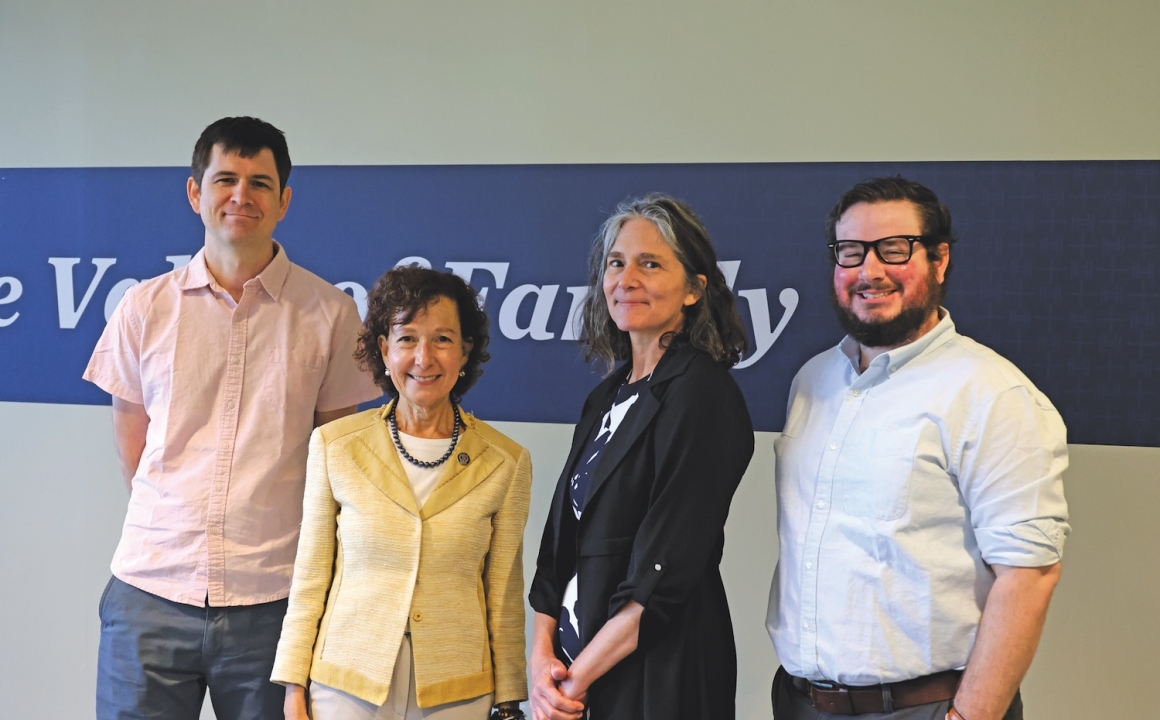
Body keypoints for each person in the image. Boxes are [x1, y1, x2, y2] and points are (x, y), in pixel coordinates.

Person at [83, 116, 381, 720]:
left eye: (260, 183)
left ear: (284, 200)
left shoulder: (329, 313)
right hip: (151, 592)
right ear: (196, 193)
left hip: (274, 600)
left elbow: (333, 460)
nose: (241, 196)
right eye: (225, 179)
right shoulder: (143, 307)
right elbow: (132, 447)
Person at [767, 177, 1070, 720]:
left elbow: (1030, 573)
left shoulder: (990, 393)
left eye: (894, 249)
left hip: (928, 707)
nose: (869, 271)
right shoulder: (812, 381)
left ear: (940, 259)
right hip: (800, 702)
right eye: (851, 252)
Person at [528, 194, 755, 720]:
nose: (626, 279)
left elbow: (662, 573)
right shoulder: (606, 397)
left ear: (695, 288)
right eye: (616, 263)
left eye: (650, 263)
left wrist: (571, 684)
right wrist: (541, 662)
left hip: (657, 673)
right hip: (573, 674)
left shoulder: (702, 393)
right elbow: (559, 548)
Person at [272, 265, 532, 720]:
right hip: (346, 686)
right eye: (407, 338)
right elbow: (311, 576)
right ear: (383, 349)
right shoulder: (336, 445)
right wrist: (294, 685)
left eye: (443, 339)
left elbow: (503, 595)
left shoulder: (505, 461)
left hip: (458, 693)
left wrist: (509, 698)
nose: (423, 358)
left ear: (465, 351)